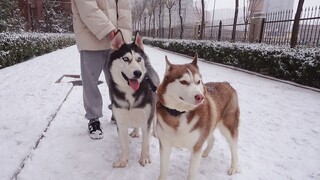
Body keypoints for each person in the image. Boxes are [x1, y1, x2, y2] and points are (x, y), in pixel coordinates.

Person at [71, 0, 132, 139]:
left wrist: (123, 38)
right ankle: (94, 118)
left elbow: (125, 12)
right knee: (90, 82)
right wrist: (109, 29)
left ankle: (118, 112)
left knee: (118, 81)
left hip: (116, 41)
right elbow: (87, 7)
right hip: (90, 37)